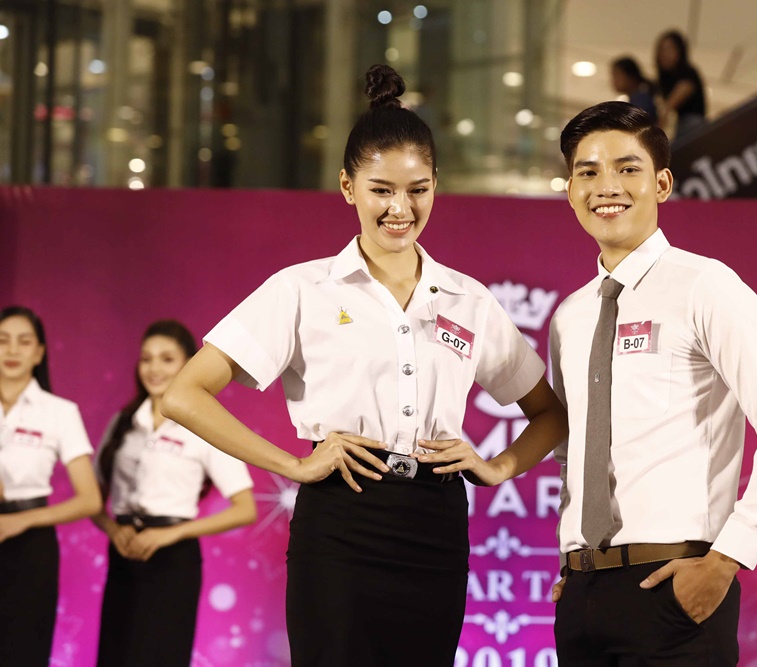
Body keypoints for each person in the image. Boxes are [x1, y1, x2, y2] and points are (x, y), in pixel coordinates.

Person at [161, 64, 568, 667]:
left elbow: (550, 415)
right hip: (340, 518)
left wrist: (497, 467)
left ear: (436, 185)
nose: (401, 208)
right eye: (381, 190)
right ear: (348, 187)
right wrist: (294, 465)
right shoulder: (303, 289)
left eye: (418, 189)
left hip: (435, 523)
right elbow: (184, 394)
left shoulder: (468, 299)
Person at [548, 101, 757, 666]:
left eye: (627, 168)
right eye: (588, 172)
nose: (607, 186)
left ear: (662, 183)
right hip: (582, 594)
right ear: (571, 191)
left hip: (676, 587)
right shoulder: (570, 316)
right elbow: (572, 453)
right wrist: (572, 560)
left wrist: (726, 560)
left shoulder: (705, 286)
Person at [91, 320, 257, 667]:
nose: (154, 368)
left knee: (161, 654)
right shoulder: (123, 422)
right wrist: (113, 529)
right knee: (115, 654)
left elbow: (245, 509)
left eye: (167, 359)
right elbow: (91, 498)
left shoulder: (205, 423)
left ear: (188, 364)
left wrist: (171, 534)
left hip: (172, 558)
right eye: (146, 359)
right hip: (123, 552)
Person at [0, 305, 102, 666]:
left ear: (39, 352)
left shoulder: (59, 412)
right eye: (3, 340)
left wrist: (20, 521)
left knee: (23, 650)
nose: (12, 350)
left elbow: (90, 500)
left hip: (30, 546)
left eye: (24, 341)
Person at [654, 30, 706, 140]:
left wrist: (655, 134)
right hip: (684, 125)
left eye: (669, 49)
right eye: (662, 50)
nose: (664, 54)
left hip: (693, 126)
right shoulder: (667, 78)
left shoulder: (688, 74)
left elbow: (669, 106)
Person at [610, 56, 658, 125]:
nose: (613, 81)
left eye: (616, 75)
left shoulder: (642, 100)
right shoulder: (637, 98)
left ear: (630, 76)